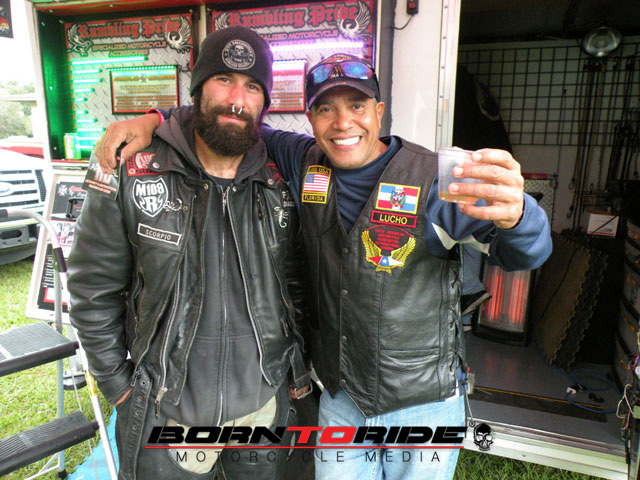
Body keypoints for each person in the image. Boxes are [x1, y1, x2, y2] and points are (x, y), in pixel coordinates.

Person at [96, 53, 552, 480]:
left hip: (422, 403)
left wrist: (519, 217)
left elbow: (523, 255)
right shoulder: (302, 161)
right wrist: (151, 120)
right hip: (341, 398)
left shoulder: (433, 180)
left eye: (356, 105)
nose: (342, 122)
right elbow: (228, 116)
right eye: (326, 109)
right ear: (310, 119)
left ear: (379, 111)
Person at [67, 26, 310, 480]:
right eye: (223, 79)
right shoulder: (132, 169)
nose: (236, 99)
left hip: (262, 409)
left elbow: (296, 284)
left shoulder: (281, 177)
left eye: (252, 86)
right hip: (167, 412)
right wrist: (120, 388)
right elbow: (91, 288)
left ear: (264, 101)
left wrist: (294, 372)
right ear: (197, 89)